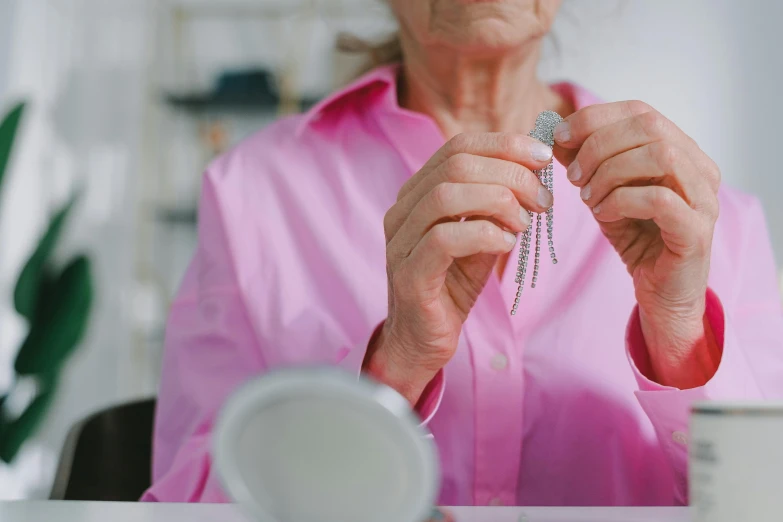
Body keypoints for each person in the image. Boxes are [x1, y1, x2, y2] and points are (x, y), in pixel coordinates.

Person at [143, 0, 783, 507]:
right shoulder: (250, 194)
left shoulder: (701, 217)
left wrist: (680, 334)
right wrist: (394, 367)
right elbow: (182, 506)